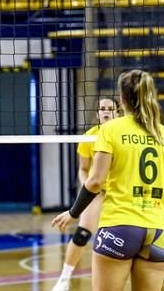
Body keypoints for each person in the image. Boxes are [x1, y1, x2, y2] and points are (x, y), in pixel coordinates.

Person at [52, 70, 164, 291]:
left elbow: (94, 181)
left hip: (119, 226)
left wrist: (72, 213)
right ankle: (64, 277)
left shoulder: (110, 130)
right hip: (157, 230)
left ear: (121, 100)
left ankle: (64, 279)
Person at [51, 97, 118, 291]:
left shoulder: (123, 135)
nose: (106, 112)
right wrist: (87, 186)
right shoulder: (89, 137)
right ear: (97, 114)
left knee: (149, 232)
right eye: (102, 109)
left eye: (110, 109)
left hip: (120, 192)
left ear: (118, 112)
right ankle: (64, 279)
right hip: (97, 191)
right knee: (82, 233)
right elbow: (83, 169)